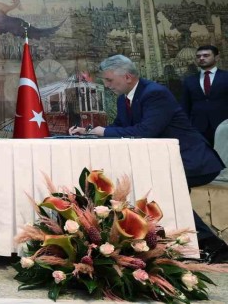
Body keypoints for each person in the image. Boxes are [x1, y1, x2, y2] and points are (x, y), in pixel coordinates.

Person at [69, 55, 227, 264]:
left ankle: (213, 247)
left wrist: (103, 131)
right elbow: (119, 128)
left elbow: (146, 131)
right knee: (151, 187)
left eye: (109, 80)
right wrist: (89, 132)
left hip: (192, 161)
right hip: (164, 163)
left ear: (127, 77)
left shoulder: (155, 93)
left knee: (160, 190)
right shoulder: (123, 99)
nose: (106, 85)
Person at [181, 45, 227, 147]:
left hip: (223, 125)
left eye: (206, 55)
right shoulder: (189, 80)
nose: (201, 58)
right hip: (198, 127)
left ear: (216, 57)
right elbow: (185, 105)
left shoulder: (226, 77)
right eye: (198, 56)